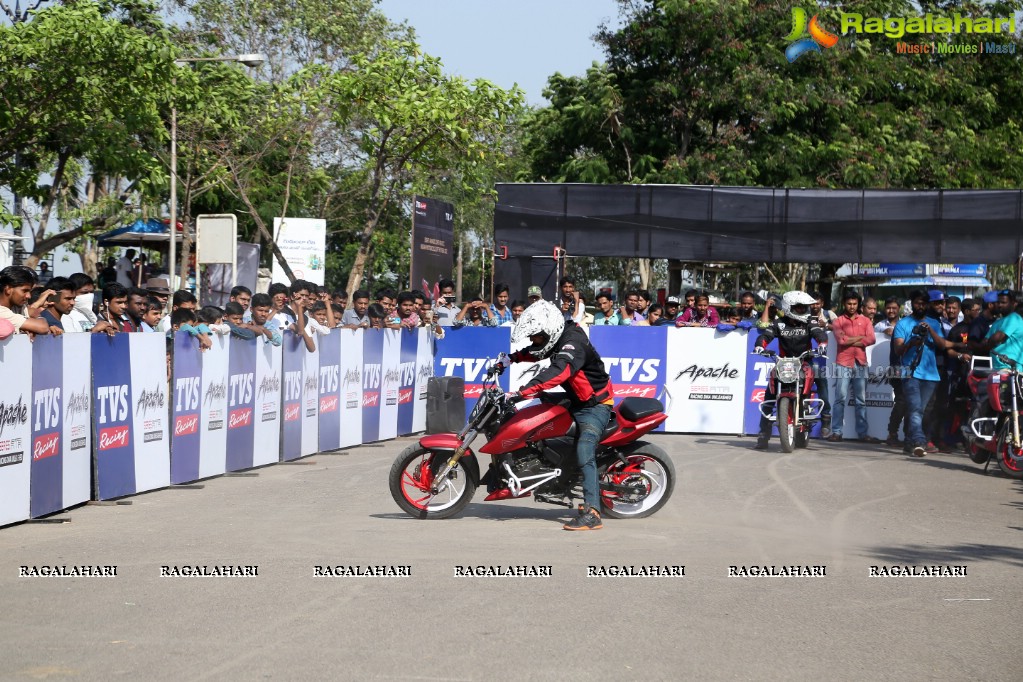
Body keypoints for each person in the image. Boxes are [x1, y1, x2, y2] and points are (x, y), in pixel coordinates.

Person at [497, 300, 615, 531]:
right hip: (576, 398)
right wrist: (510, 359)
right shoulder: (559, 337)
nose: (533, 340)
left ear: (549, 331)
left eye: (536, 336)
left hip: (595, 405)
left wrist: (523, 391)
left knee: (585, 447)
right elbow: (539, 351)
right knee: (537, 422)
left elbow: (560, 371)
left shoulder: (573, 342)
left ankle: (592, 512)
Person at [752, 291, 828, 451]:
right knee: (769, 392)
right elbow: (766, 335)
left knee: (820, 376)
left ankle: (826, 418)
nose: (803, 310)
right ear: (789, 307)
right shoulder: (779, 323)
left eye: (803, 307)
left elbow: (819, 334)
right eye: (799, 308)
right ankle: (763, 434)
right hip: (784, 362)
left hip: (804, 361)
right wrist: (760, 346)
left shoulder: (809, 322)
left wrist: (821, 345)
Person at [892, 290, 949, 457]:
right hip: (910, 372)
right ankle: (919, 441)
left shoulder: (934, 323)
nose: (921, 306)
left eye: (924, 303)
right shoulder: (903, 324)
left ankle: (908, 444)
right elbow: (898, 350)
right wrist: (911, 342)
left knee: (919, 411)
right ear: (912, 303)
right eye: (918, 303)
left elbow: (942, 345)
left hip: (930, 374)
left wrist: (930, 330)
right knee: (916, 409)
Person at [828, 289, 879, 443]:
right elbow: (841, 341)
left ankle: (862, 434)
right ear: (844, 303)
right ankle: (836, 432)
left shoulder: (865, 320)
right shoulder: (838, 321)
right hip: (843, 362)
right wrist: (861, 338)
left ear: (858, 304)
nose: (852, 306)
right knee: (840, 399)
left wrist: (851, 339)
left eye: (854, 304)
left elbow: (872, 339)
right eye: (849, 303)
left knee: (861, 400)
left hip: (860, 362)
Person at [0, 266, 50, 335]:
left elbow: (32, 313)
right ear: (8, 289)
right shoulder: (2, 312)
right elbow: (43, 327)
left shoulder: (18, 306)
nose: (28, 296)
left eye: (29, 291)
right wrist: (38, 318)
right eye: (24, 291)